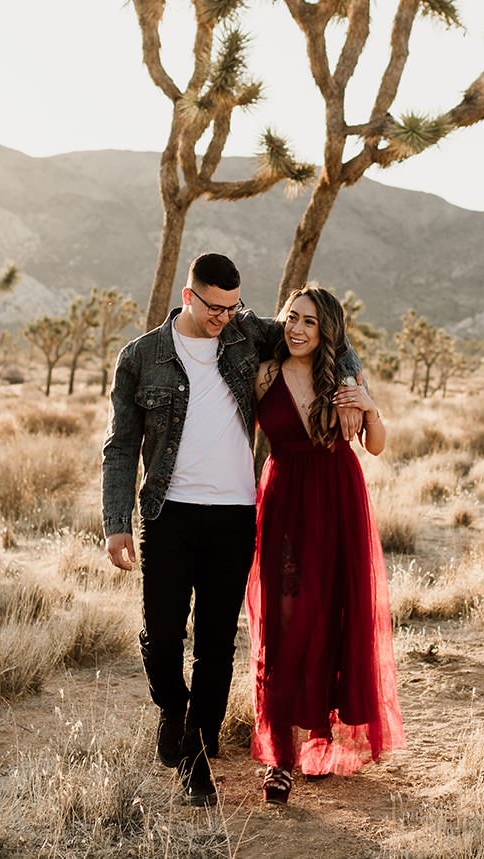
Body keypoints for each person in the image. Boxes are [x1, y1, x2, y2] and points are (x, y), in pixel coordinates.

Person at [100, 254, 360, 807]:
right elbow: (121, 445)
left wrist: (355, 384)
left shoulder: (245, 334)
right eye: (214, 307)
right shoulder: (142, 357)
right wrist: (115, 523)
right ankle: (173, 708)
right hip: (168, 512)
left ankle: (196, 758)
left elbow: (324, 333)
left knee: (216, 645)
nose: (224, 317)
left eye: (233, 306)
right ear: (189, 297)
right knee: (163, 636)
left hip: (235, 514)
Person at [247, 282, 404, 805]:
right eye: (292, 317)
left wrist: (370, 406)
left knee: (329, 616)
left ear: (327, 330)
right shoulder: (266, 373)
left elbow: (375, 446)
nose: (296, 329)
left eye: (309, 322)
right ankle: (281, 759)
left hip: (336, 502)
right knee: (285, 622)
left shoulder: (342, 378)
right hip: (285, 502)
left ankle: (316, 734)